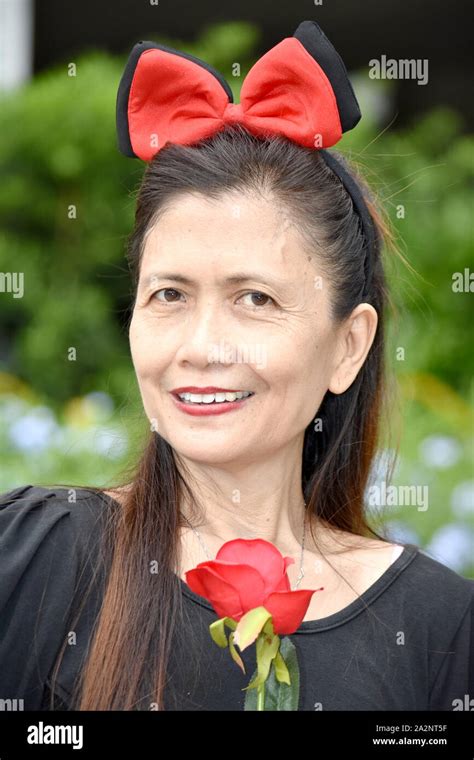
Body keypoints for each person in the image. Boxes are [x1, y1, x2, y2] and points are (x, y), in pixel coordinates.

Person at [1, 20, 472, 712]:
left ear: (349, 345)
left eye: (254, 298)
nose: (202, 346)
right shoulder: (34, 557)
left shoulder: (438, 631)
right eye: (169, 294)